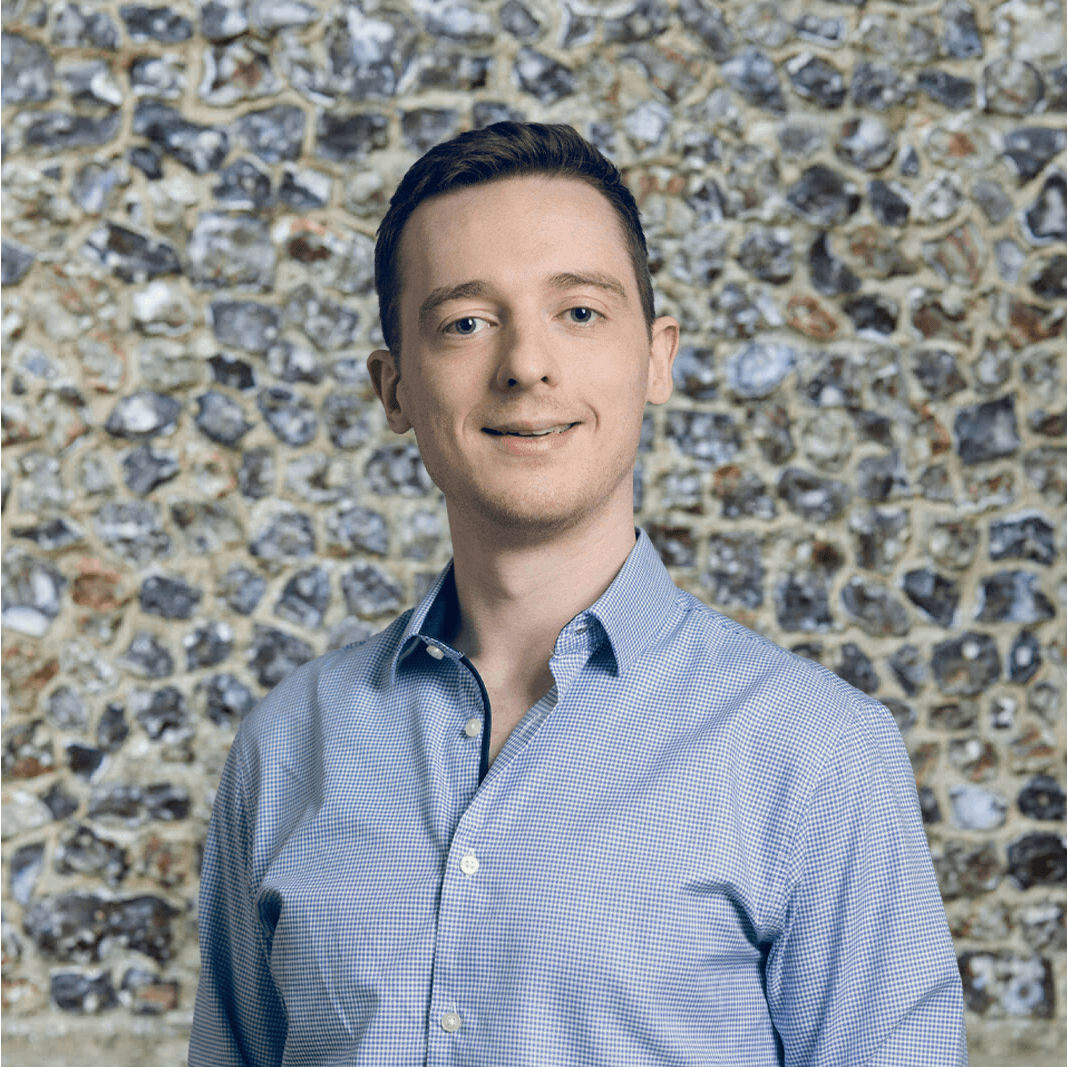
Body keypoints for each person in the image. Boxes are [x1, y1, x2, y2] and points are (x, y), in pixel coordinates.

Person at [190, 122, 967, 1066]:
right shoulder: (287, 745)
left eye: (581, 313)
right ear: (392, 388)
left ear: (656, 357)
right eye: (465, 321)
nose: (526, 364)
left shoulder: (815, 753)